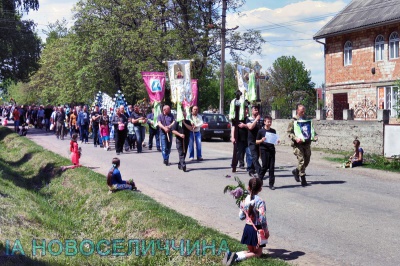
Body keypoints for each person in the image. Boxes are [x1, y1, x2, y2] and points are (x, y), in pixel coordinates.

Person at [223, 178, 269, 265]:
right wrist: (266, 231)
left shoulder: (243, 200)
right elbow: (262, 219)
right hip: (256, 230)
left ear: (248, 187)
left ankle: (232, 254)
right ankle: (237, 258)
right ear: (260, 189)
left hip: (248, 228)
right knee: (257, 253)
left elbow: (241, 217)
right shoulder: (260, 201)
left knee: (250, 250)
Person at [287, 104, 318, 187]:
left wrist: (314, 136)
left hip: (307, 143)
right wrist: (295, 138)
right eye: (301, 111)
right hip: (298, 144)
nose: (303, 112)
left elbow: (311, 130)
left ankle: (296, 171)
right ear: (297, 111)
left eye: (304, 111)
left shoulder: (307, 120)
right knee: (301, 160)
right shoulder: (293, 121)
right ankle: (303, 179)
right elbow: (289, 133)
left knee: (307, 160)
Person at [256, 116, 279, 190]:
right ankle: (259, 180)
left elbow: (275, 140)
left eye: (270, 122)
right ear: (264, 122)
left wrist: (277, 141)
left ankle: (271, 184)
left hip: (271, 150)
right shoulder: (261, 131)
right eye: (268, 121)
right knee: (265, 166)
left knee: (272, 167)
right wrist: (262, 140)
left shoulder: (273, 131)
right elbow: (256, 141)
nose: (269, 123)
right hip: (264, 150)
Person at [246, 106, 263, 178]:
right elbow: (250, 127)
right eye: (255, 110)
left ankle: (251, 170)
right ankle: (260, 172)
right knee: (254, 156)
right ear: (252, 111)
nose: (256, 111)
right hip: (251, 141)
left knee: (256, 157)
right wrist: (256, 119)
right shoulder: (248, 119)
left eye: (257, 110)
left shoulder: (261, 120)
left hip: (259, 141)